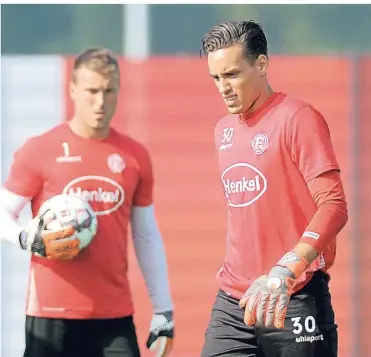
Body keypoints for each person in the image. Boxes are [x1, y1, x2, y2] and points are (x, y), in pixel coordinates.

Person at [0, 48, 174, 357]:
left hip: (113, 318)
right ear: (73, 90)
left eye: (109, 91)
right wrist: (27, 238)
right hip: (50, 316)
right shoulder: (40, 149)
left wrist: (163, 310)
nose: (100, 101)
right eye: (92, 91)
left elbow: (146, 234)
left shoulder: (134, 157)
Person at [199, 20, 348, 357]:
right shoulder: (223, 130)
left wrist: (286, 270)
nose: (223, 87)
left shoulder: (298, 118)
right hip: (234, 303)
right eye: (216, 78)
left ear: (262, 64)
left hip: (294, 295)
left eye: (233, 74)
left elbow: (334, 206)